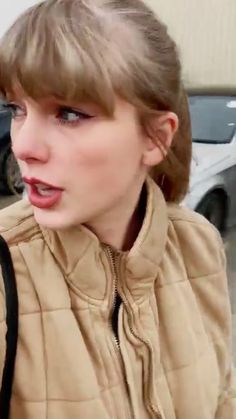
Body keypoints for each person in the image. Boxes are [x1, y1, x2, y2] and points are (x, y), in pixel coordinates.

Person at [0, 0, 234, 418]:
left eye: (69, 113)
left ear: (156, 138)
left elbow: (222, 398)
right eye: (16, 109)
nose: (24, 146)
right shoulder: (5, 273)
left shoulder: (198, 244)